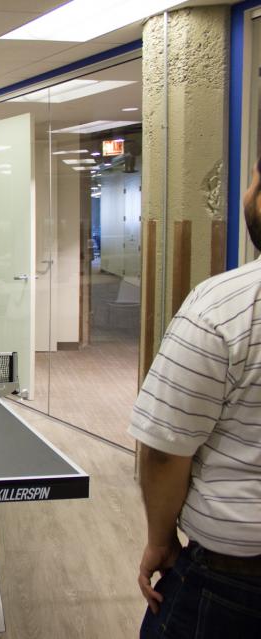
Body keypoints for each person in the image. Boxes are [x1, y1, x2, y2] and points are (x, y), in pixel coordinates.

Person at [130, 157, 261, 637]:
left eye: (254, 179)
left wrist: (160, 541)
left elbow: (166, 451)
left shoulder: (220, 308)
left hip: (235, 580)